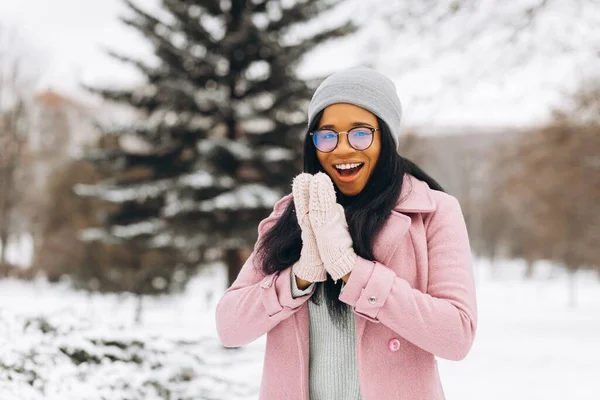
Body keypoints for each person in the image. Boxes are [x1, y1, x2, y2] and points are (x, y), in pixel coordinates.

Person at [215, 67, 477, 400]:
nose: (341, 149)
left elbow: (456, 336)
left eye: (360, 133)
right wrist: (300, 277)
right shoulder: (291, 215)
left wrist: (350, 269)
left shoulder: (433, 212)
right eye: (327, 135)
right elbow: (230, 327)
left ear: (385, 137)